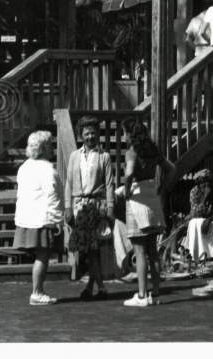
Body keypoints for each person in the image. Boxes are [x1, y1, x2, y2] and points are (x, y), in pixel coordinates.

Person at [121, 123, 175, 308]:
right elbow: (171, 168)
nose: (123, 136)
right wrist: (161, 186)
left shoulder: (131, 152)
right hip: (152, 197)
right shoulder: (153, 150)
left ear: (130, 134)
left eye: (124, 132)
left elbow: (128, 174)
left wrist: (127, 191)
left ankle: (142, 295)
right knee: (152, 250)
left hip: (137, 200)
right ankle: (156, 292)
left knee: (140, 251)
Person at [64, 115, 116, 300]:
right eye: (86, 134)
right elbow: (69, 183)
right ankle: (94, 286)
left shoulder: (104, 157)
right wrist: (68, 207)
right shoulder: (74, 157)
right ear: (80, 135)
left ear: (98, 135)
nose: (90, 137)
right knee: (86, 249)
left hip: (97, 206)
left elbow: (109, 184)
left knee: (94, 249)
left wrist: (110, 208)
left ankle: (97, 287)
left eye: (93, 133)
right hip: (79, 207)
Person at [13, 130, 64, 306]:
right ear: (44, 148)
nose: (52, 148)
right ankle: (37, 292)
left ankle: (38, 290)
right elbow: (53, 196)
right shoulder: (47, 170)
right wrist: (57, 220)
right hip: (42, 219)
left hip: (27, 218)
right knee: (43, 256)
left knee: (40, 257)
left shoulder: (24, 167)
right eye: (50, 145)